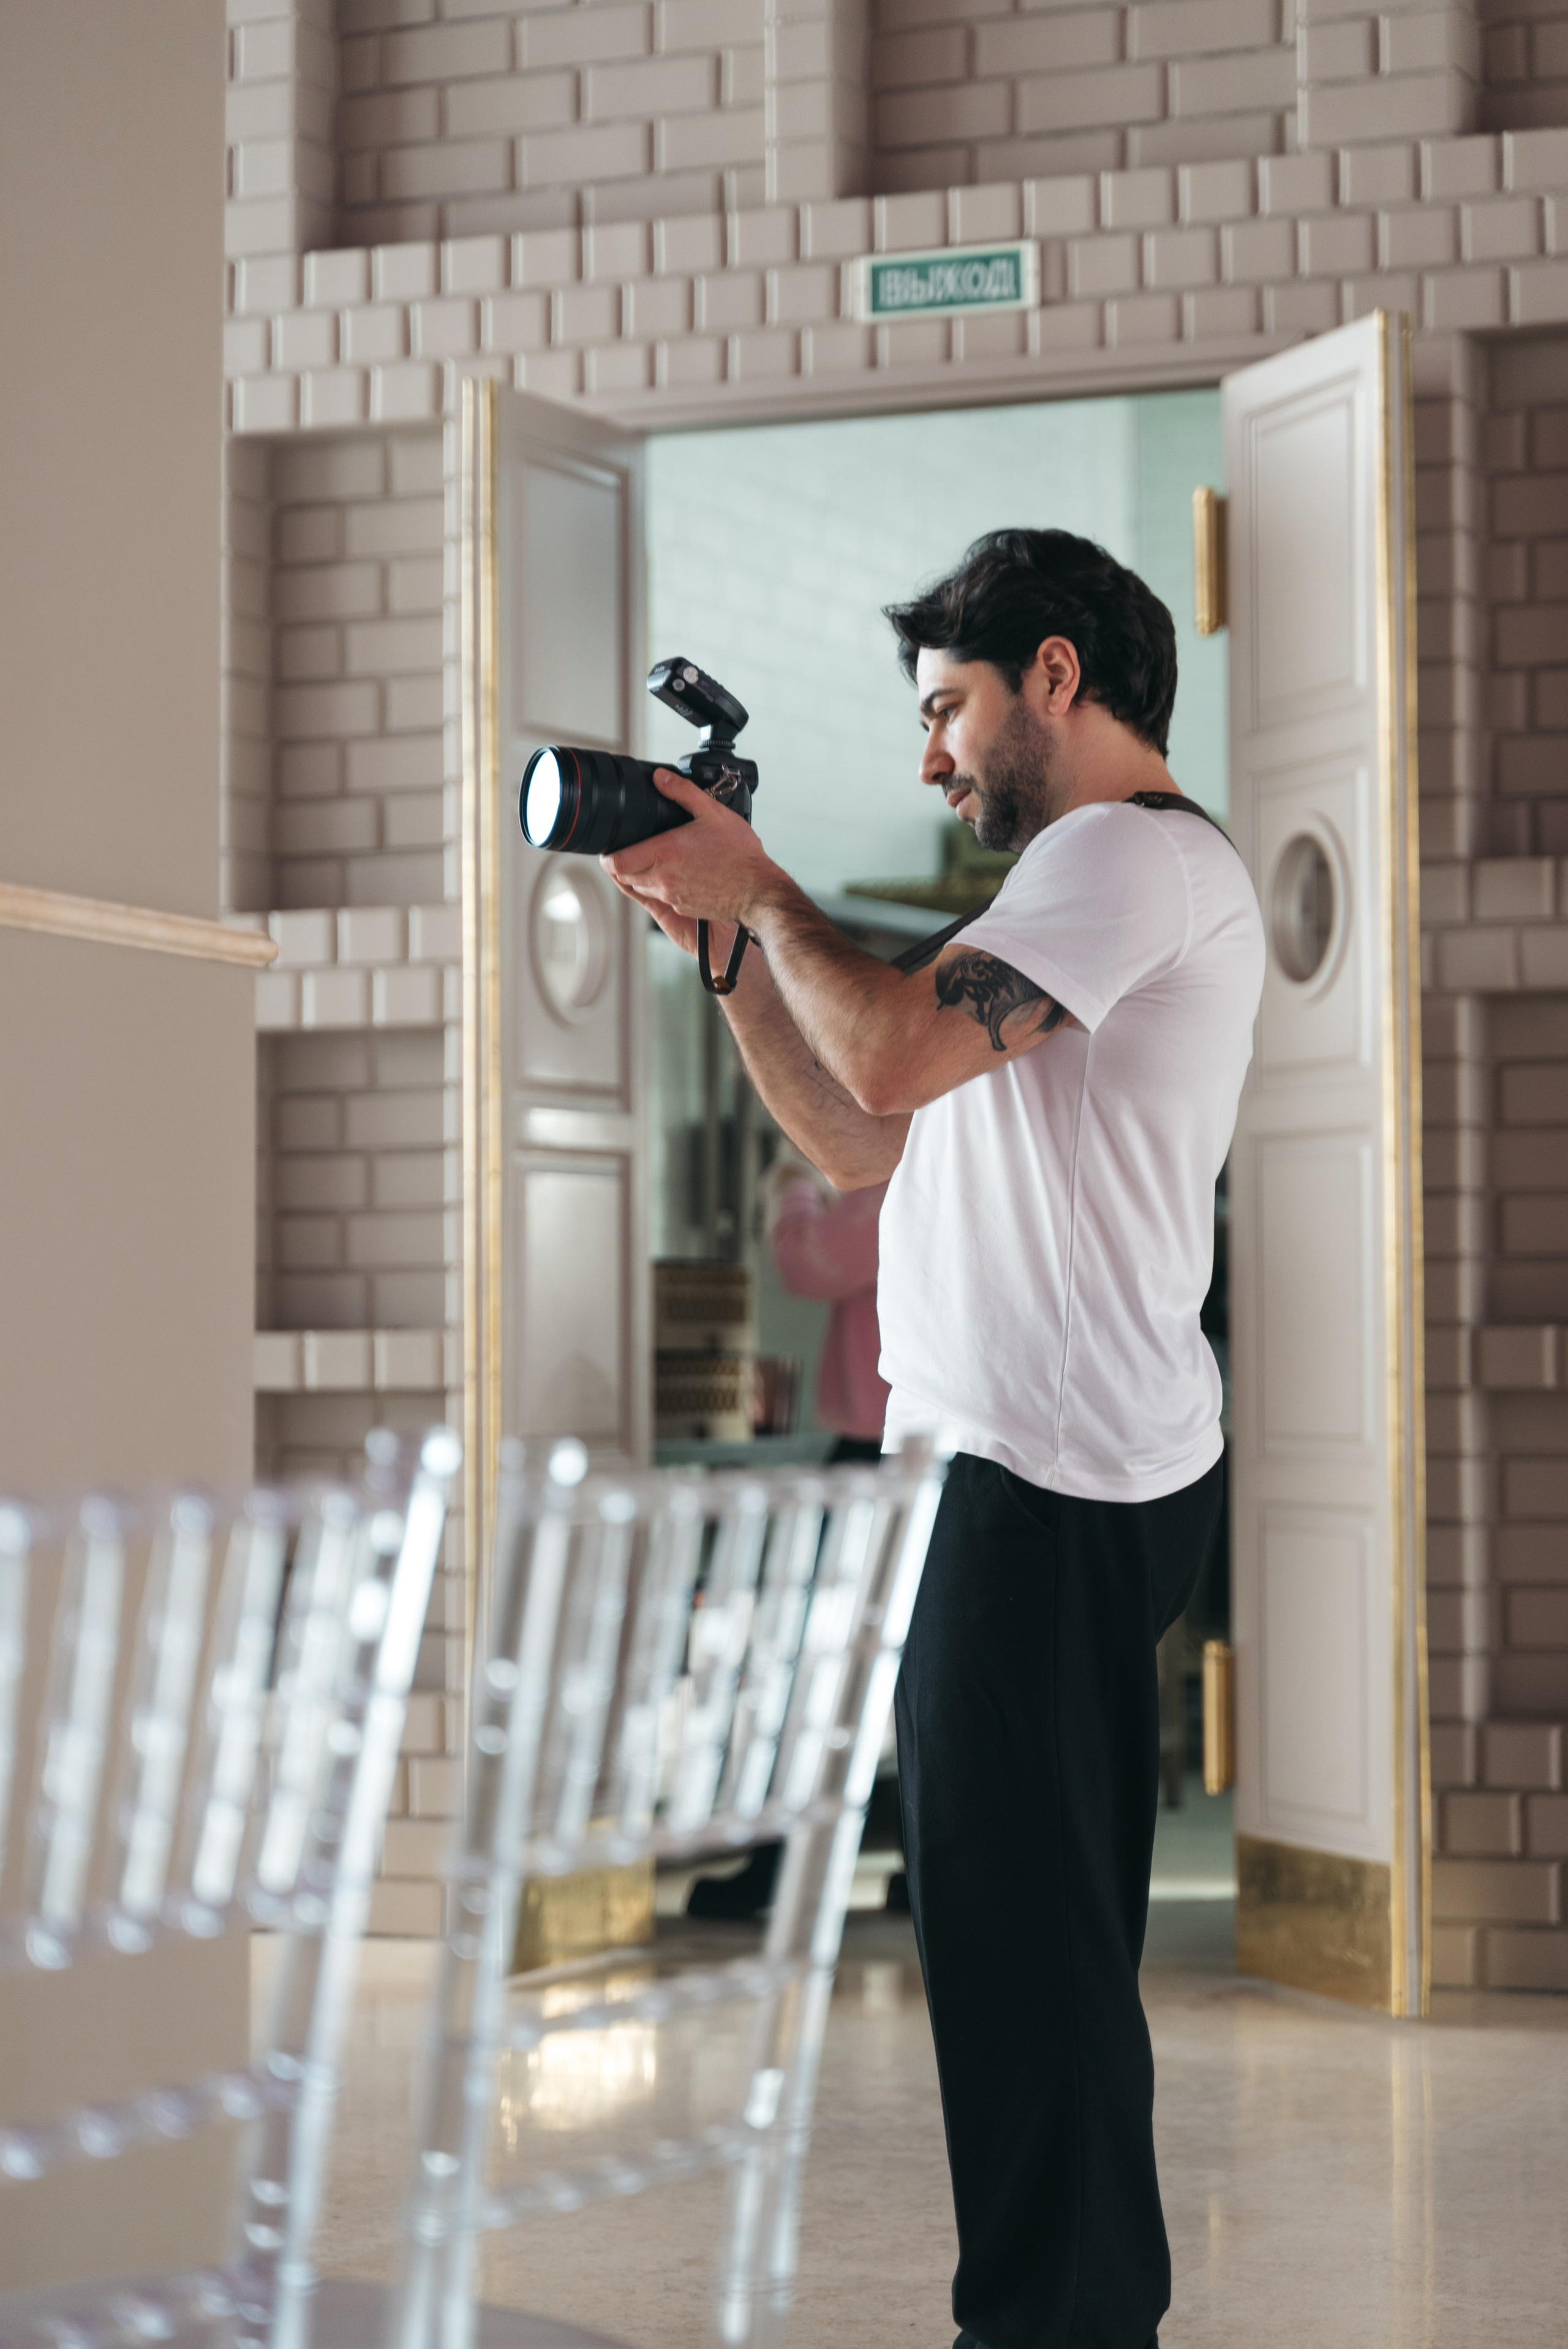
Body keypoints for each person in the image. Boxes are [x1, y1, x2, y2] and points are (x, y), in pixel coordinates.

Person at [603, 529, 1265, 2349]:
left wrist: (767, 885)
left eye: (945, 709)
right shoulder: (1067, 893)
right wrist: (735, 955)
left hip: (1043, 1481)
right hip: (1015, 1473)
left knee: (1026, 1961)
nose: (930, 758)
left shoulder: (1129, 858)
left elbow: (892, 1055)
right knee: (1009, 1945)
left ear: (1056, 675)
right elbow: (861, 1137)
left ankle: (1053, 2329)